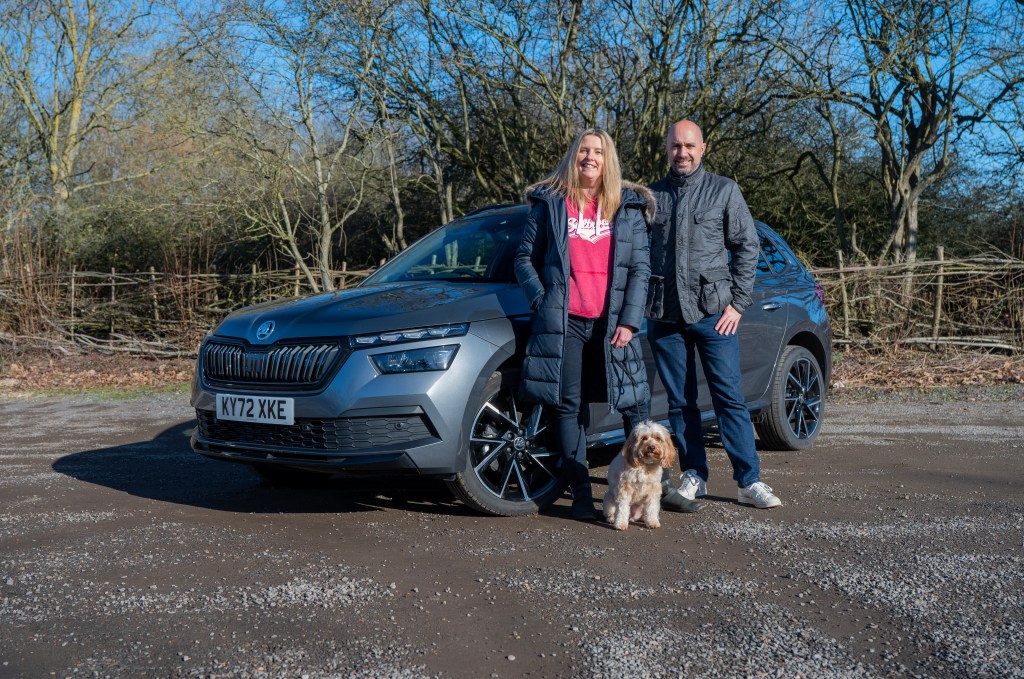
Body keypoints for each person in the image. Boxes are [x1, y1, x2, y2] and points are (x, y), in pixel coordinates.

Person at [514, 128, 675, 521]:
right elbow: (523, 259)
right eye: (583, 150)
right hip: (565, 321)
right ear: (574, 156)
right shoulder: (550, 204)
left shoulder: (628, 207)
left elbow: (640, 269)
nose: (590, 157)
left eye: (598, 152)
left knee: (634, 403)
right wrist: (542, 298)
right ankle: (582, 493)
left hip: (613, 324)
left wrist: (630, 322)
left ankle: (649, 494)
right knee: (568, 408)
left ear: (608, 160)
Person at [647, 119, 782, 509]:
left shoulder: (724, 190)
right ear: (667, 148)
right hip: (665, 315)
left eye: (689, 146)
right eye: (675, 146)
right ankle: (695, 475)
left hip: (712, 314)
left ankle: (748, 481)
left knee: (728, 398)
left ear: (702, 148)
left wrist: (738, 303)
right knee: (680, 402)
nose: (682, 153)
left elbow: (747, 245)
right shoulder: (651, 196)